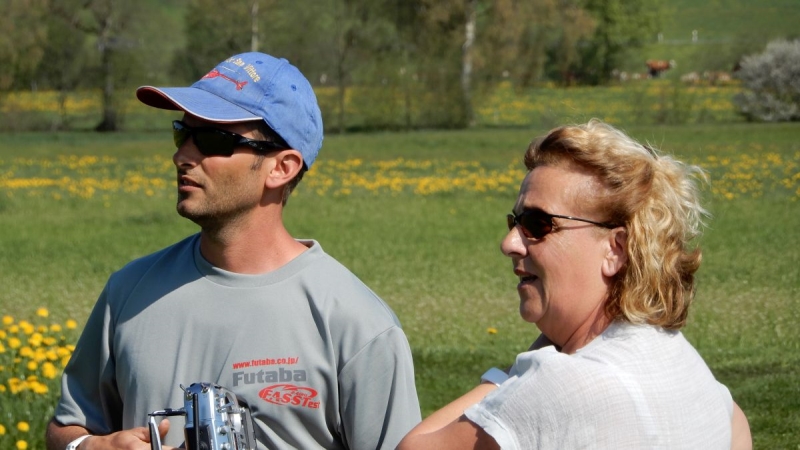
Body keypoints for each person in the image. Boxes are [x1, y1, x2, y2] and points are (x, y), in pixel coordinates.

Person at [45, 52, 421, 450]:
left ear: (282, 167)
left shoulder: (356, 323)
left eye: (211, 140)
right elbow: (67, 428)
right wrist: (89, 446)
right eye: (182, 134)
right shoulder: (128, 291)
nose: (182, 156)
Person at [398, 119, 752, 449]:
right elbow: (737, 425)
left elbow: (413, 446)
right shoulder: (691, 371)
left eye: (537, 224)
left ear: (616, 249)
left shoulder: (563, 385)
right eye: (515, 222)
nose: (509, 243)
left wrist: (513, 379)